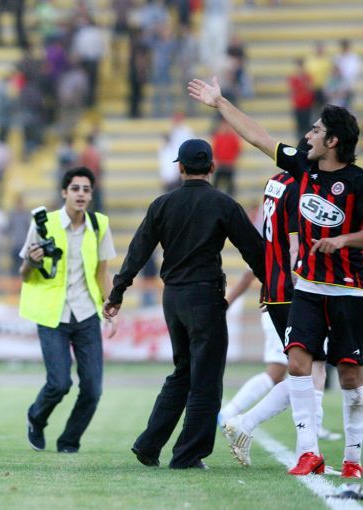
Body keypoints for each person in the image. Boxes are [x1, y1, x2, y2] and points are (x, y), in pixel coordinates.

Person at [188, 76, 363, 477]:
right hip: (307, 288)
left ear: (333, 140)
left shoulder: (358, 182)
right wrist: (220, 103)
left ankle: (353, 459)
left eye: (316, 130)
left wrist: (343, 240)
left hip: (349, 291)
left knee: (351, 375)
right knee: (298, 364)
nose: (309, 135)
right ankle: (309, 452)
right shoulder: (302, 168)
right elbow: (259, 137)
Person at [104, 138, 265, 469]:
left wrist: (117, 292)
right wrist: (272, 285)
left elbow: (138, 250)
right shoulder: (224, 203)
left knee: (183, 371)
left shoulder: (162, 204)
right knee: (206, 378)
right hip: (204, 296)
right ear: (212, 167)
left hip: (173, 298)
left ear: (180, 167)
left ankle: (149, 444)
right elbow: (254, 249)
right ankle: (188, 455)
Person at [219, 151, 338, 468]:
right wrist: (308, 287)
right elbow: (296, 246)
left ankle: (305, 450)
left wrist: (268, 280)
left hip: (276, 288)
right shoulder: (301, 188)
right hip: (297, 290)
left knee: (305, 370)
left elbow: (269, 242)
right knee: (311, 371)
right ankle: (253, 427)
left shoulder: (275, 182)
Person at [20, 166, 117, 454]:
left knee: (93, 389)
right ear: (64, 192)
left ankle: (69, 441)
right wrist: (33, 261)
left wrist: (110, 306)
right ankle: (36, 418)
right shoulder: (43, 223)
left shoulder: (99, 225)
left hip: (86, 314)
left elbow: (102, 272)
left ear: (92, 195)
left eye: (86, 189)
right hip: (52, 314)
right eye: (75, 188)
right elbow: (24, 273)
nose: (81, 194)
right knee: (59, 383)